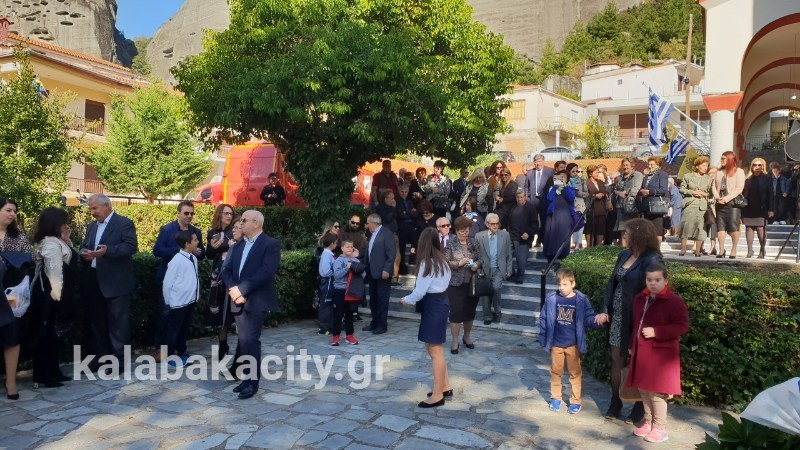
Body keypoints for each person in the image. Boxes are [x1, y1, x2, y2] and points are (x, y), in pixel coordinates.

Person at [595, 218, 662, 424]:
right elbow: (612, 284)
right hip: (618, 317)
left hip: (639, 319)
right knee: (617, 358)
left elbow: (655, 291)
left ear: (639, 235)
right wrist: (605, 309)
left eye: (627, 232)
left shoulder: (653, 259)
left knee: (637, 362)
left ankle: (640, 405)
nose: (623, 235)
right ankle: (615, 402)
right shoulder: (624, 254)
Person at [626, 263, 689, 443]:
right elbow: (636, 325)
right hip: (643, 352)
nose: (653, 283)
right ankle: (648, 422)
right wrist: (632, 345)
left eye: (657, 280)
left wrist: (657, 331)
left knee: (657, 393)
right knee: (644, 390)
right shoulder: (640, 298)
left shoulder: (674, 301)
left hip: (661, 355)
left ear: (665, 281)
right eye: (649, 280)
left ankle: (660, 428)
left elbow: (682, 326)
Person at [223, 210, 281, 400]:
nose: (240, 223)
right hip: (237, 299)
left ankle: (252, 382)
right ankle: (246, 379)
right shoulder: (239, 245)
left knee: (251, 340)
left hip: (256, 300)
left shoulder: (270, 244)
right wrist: (233, 289)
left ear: (256, 223)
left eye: (244, 220)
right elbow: (227, 270)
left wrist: (241, 290)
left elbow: (266, 272)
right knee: (243, 340)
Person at [80, 194, 138, 372]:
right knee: (97, 323)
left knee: (118, 326)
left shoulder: (124, 223)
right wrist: (84, 253)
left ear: (106, 206)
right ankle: (101, 358)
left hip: (116, 282)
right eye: (90, 208)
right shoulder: (91, 226)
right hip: (94, 280)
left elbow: (131, 247)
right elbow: (85, 245)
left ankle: (119, 362)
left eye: (94, 208)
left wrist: (108, 251)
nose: (92, 212)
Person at [539, 268, 603, 414]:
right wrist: (543, 338)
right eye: (559, 284)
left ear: (573, 284)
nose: (562, 288)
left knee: (575, 373)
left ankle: (575, 401)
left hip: (573, 344)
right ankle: (555, 398)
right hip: (556, 343)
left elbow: (588, 317)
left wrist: (598, 321)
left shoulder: (581, 300)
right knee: (556, 372)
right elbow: (544, 319)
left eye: (565, 284)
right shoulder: (552, 299)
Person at [400, 227, 452, 408]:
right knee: (432, 347)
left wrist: (406, 300)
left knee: (435, 350)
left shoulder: (427, 263)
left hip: (433, 305)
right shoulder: (442, 260)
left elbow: (419, 292)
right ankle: (445, 386)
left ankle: (438, 395)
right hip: (440, 302)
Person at [30, 207, 75, 388]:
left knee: (54, 335)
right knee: (47, 334)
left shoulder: (56, 241)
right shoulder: (50, 243)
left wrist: (66, 239)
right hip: (49, 295)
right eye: (64, 222)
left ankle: (53, 371)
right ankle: (44, 374)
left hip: (53, 293)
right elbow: (54, 271)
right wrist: (58, 298)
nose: (66, 225)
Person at [153, 201, 205, 357]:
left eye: (192, 213)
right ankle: (162, 349)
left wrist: (197, 252)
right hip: (169, 279)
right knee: (166, 315)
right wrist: (181, 249)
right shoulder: (167, 229)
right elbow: (157, 251)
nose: (189, 216)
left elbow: (201, 253)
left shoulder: (195, 231)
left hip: (187, 285)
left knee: (183, 320)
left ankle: (179, 349)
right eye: (186, 213)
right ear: (178, 213)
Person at [0, 198, 30, 399]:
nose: (12, 214)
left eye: (14, 211)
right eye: (8, 210)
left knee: (12, 336)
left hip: (11, 293)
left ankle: (11, 382)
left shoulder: (18, 237)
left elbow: (30, 261)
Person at [161, 230, 201, 367]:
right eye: (195, 240)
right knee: (174, 330)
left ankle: (181, 352)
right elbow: (167, 282)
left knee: (184, 329)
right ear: (187, 244)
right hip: (178, 302)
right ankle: (170, 357)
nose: (198, 242)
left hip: (190, 301)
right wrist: (169, 300)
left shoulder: (193, 258)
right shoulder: (177, 260)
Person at [443, 216, 480, 354]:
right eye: (463, 231)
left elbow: (481, 259)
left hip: (472, 282)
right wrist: (458, 263)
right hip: (455, 284)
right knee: (456, 312)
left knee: (470, 312)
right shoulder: (450, 243)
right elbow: (445, 261)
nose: (465, 233)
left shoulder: (474, 242)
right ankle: (454, 341)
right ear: (457, 230)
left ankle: (467, 337)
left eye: (467, 231)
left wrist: (476, 265)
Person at [206, 204, 236, 357]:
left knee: (232, 308)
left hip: (233, 273)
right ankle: (222, 345)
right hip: (218, 275)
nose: (229, 216)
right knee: (220, 308)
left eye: (231, 213)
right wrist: (212, 247)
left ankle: (231, 344)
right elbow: (209, 255)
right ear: (219, 214)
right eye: (226, 213)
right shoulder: (213, 233)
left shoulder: (235, 231)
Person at [475, 213, 512, 325]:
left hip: (499, 268)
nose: (495, 226)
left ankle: (497, 312)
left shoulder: (505, 235)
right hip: (484, 269)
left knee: (496, 289)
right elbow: (476, 254)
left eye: (497, 223)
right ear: (487, 224)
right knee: (485, 292)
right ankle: (487, 315)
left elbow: (509, 253)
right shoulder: (479, 236)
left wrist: (509, 269)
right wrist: (478, 269)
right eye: (492, 224)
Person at [364, 213, 396, 335]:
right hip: (372, 272)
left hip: (383, 273)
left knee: (382, 300)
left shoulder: (386, 233)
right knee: (373, 299)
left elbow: (391, 253)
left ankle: (382, 325)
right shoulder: (373, 234)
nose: (367, 225)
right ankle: (374, 322)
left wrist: (387, 269)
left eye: (368, 223)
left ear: (375, 223)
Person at [331, 239, 364, 346]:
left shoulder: (356, 260)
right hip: (340, 291)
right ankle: (336, 336)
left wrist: (359, 272)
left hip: (352, 291)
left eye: (351, 247)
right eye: (347, 247)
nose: (350, 249)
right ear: (342, 248)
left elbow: (363, 275)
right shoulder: (339, 260)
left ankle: (349, 335)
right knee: (338, 314)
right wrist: (347, 268)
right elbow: (336, 275)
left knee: (350, 314)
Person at [679, 157, 714, 257]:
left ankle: (698, 250)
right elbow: (682, 189)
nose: (705, 168)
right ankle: (683, 249)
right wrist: (692, 192)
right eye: (703, 166)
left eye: (706, 166)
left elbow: (711, 193)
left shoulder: (708, 179)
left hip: (702, 206)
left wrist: (704, 194)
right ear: (697, 166)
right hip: (690, 204)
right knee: (686, 226)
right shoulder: (688, 176)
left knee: (700, 228)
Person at [713, 151, 745, 259]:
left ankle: (733, 249)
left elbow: (739, 188)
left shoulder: (739, 172)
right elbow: (713, 186)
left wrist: (726, 199)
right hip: (720, 202)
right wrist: (717, 197)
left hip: (732, 203)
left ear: (730, 159)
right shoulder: (719, 172)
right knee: (720, 227)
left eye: (723, 158)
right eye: (721, 158)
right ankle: (721, 250)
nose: (721, 160)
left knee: (734, 226)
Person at [543, 171, 577, 262]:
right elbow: (549, 198)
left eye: (563, 177)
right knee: (551, 234)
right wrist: (555, 186)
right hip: (553, 214)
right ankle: (550, 256)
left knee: (564, 234)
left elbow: (571, 198)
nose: (561, 178)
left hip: (565, 214)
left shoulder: (570, 188)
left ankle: (563, 255)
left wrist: (564, 186)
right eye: (560, 177)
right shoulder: (552, 188)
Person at [508, 189, 539, 284]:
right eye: (518, 197)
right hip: (511, 235)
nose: (519, 199)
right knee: (506, 255)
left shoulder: (530, 208)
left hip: (523, 237)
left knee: (521, 259)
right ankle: (511, 273)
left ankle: (520, 276)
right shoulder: (513, 207)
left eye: (521, 197)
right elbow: (507, 219)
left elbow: (535, 224)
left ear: (525, 197)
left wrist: (528, 233)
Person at [742, 158, 770, 258]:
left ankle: (762, 250)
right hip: (749, 206)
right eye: (754, 165)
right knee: (749, 228)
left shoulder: (767, 178)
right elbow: (744, 193)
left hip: (762, 207)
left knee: (760, 228)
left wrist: (771, 208)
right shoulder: (748, 179)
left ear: (763, 167)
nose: (757, 167)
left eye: (759, 165)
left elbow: (771, 193)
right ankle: (750, 250)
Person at [525, 154, 555, 246]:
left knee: (544, 221)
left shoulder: (550, 171)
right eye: (536, 161)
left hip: (545, 200)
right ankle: (530, 241)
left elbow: (553, 186)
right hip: (533, 200)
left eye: (540, 161)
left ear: (543, 161)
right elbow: (526, 186)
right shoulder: (530, 173)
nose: (538, 163)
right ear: (534, 162)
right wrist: (527, 198)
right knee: (531, 221)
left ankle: (542, 241)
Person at [638, 157, 670, 241]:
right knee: (647, 231)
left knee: (657, 230)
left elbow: (663, 190)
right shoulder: (646, 176)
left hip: (656, 206)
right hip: (646, 206)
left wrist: (650, 192)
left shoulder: (662, 174)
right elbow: (642, 187)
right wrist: (641, 191)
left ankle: (657, 247)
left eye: (652, 165)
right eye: (648, 164)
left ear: (658, 165)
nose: (649, 166)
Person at [613, 158, 644, 237]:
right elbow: (615, 190)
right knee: (623, 229)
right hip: (621, 206)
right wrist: (619, 193)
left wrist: (626, 192)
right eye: (623, 165)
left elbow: (637, 188)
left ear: (632, 166)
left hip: (633, 206)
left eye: (627, 165)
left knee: (633, 229)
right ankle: (624, 245)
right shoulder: (620, 177)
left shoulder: (637, 175)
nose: (625, 167)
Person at [375, 191, 401, 283]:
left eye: (394, 198)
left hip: (394, 233)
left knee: (397, 257)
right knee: (391, 256)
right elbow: (387, 218)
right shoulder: (381, 207)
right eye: (391, 198)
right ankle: (389, 277)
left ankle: (395, 278)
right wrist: (393, 208)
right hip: (387, 234)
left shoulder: (392, 207)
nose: (393, 200)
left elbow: (398, 216)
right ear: (385, 199)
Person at [317, 232, 338, 336]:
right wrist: (335, 272)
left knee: (329, 304)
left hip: (330, 282)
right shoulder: (326, 255)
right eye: (336, 242)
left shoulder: (329, 254)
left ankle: (329, 326)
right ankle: (323, 328)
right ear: (332, 243)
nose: (336, 244)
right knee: (325, 304)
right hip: (327, 282)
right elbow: (325, 271)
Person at [585, 165, 609, 248]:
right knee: (589, 229)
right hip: (591, 209)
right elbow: (585, 194)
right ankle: (589, 247)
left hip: (601, 209)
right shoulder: (586, 182)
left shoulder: (600, 182)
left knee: (600, 229)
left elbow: (606, 192)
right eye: (596, 172)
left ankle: (598, 247)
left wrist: (604, 194)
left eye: (598, 172)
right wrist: (594, 195)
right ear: (590, 174)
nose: (597, 174)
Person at [567, 164, 588, 250]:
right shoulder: (566, 181)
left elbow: (587, 194)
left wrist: (578, 193)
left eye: (577, 171)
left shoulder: (582, 181)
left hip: (580, 205)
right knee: (572, 224)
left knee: (580, 223)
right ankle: (572, 243)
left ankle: (578, 244)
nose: (576, 173)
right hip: (570, 205)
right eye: (573, 171)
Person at [396, 185, 416, 275]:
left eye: (406, 192)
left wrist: (406, 212)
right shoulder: (397, 201)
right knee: (402, 247)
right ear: (399, 191)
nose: (404, 193)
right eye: (402, 192)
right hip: (402, 227)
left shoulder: (409, 201)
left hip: (410, 225)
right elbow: (400, 215)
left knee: (415, 243)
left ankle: (412, 259)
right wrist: (410, 212)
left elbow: (416, 214)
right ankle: (402, 267)